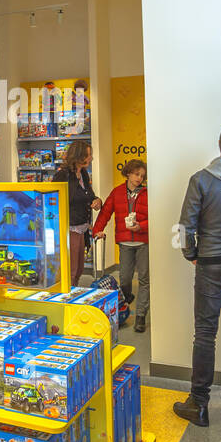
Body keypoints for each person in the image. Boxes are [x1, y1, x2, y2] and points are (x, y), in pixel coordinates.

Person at [173, 123, 221, 427]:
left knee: (204, 334)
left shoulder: (200, 180)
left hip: (210, 265)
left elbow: (183, 228)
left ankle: (198, 405)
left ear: (219, 144)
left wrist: (193, 255)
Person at [92, 159, 149, 332]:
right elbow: (105, 212)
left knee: (144, 280)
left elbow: (154, 214)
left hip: (143, 241)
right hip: (125, 242)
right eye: (136, 174)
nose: (139, 178)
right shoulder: (117, 192)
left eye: (142, 176)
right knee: (124, 278)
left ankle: (140, 316)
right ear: (128, 173)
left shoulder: (148, 193)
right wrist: (97, 230)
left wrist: (142, 226)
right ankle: (127, 297)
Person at [52, 140, 100, 286]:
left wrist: (97, 200)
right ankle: (66, 301)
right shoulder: (63, 176)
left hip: (81, 228)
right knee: (70, 271)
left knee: (78, 269)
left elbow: (89, 195)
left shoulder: (83, 174)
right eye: (88, 155)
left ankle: (72, 298)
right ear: (78, 156)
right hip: (68, 228)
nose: (91, 158)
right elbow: (53, 201)